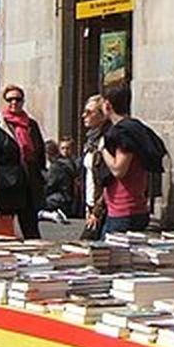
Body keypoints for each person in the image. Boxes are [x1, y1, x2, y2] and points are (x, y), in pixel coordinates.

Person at [98, 84, 163, 235]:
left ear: (107, 105)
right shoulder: (136, 128)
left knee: (108, 256)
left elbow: (119, 169)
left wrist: (103, 150)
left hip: (124, 210)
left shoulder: (124, 132)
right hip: (129, 208)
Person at [0, 84, 47, 240]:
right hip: (7, 186)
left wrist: (40, 175)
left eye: (18, 99)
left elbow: (40, 151)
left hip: (29, 184)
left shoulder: (31, 125)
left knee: (32, 231)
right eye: (10, 99)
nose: (14, 103)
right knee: (5, 233)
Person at [79, 94, 111, 241]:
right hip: (90, 204)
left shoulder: (106, 140)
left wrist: (97, 211)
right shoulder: (91, 140)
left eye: (89, 112)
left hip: (103, 208)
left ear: (102, 115)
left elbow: (109, 180)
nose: (83, 115)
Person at [44, 137, 82, 218]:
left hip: (62, 199)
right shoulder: (77, 163)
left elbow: (50, 185)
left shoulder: (58, 166)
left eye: (68, 148)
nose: (65, 151)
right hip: (71, 201)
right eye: (63, 148)